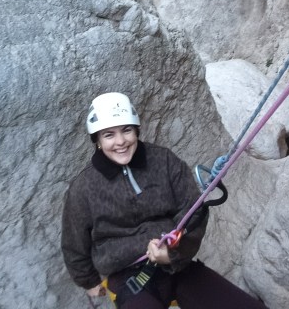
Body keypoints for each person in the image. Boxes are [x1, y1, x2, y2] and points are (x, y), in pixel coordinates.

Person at [61, 92, 268, 309]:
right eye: (109, 135)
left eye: (127, 130)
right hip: (127, 275)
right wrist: (89, 281)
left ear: (136, 131)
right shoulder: (84, 187)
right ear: (98, 141)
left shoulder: (163, 160)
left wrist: (172, 254)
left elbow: (193, 211)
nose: (121, 141)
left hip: (177, 265)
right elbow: (74, 241)